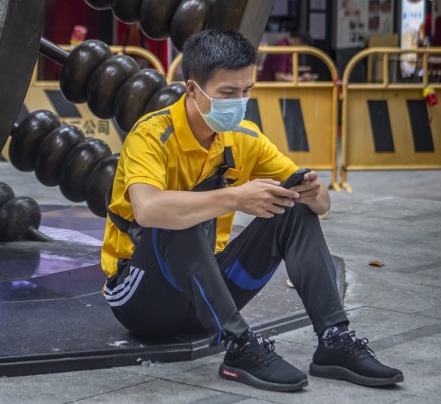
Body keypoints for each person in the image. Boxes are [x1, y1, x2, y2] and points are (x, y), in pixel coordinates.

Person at [101, 30, 403, 392]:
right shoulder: (151, 136)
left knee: (291, 207)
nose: (239, 102)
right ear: (192, 90)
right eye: (228, 93)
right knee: (176, 215)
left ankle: (334, 341)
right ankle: (239, 345)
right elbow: (148, 210)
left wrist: (312, 191)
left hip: (210, 289)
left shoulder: (246, 137)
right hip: (145, 299)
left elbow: (322, 206)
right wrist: (236, 198)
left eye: (246, 91)